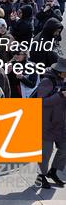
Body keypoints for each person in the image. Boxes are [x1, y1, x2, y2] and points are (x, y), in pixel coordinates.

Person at [36, 58, 66, 189]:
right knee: (46, 153)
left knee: (64, 148)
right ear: (60, 71)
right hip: (46, 124)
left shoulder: (62, 80)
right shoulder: (47, 81)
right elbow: (41, 102)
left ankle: (53, 171)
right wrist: (60, 95)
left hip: (60, 123)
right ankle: (41, 176)